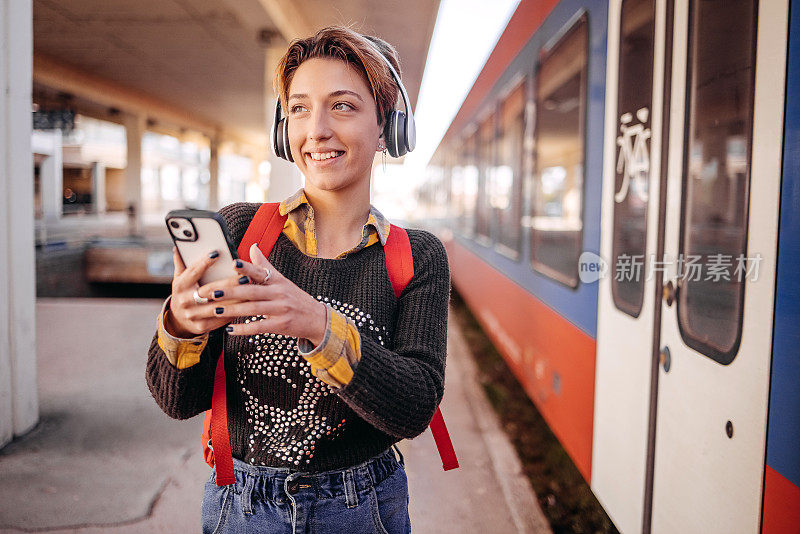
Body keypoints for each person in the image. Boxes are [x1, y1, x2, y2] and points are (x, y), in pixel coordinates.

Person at [145, 26, 451, 533]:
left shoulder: (416, 256)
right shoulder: (241, 230)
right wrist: (181, 325)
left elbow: (415, 408)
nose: (317, 131)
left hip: (365, 508)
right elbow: (176, 402)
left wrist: (318, 324)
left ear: (388, 128)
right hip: (241, 506)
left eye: (343, 106)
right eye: (301, 109)